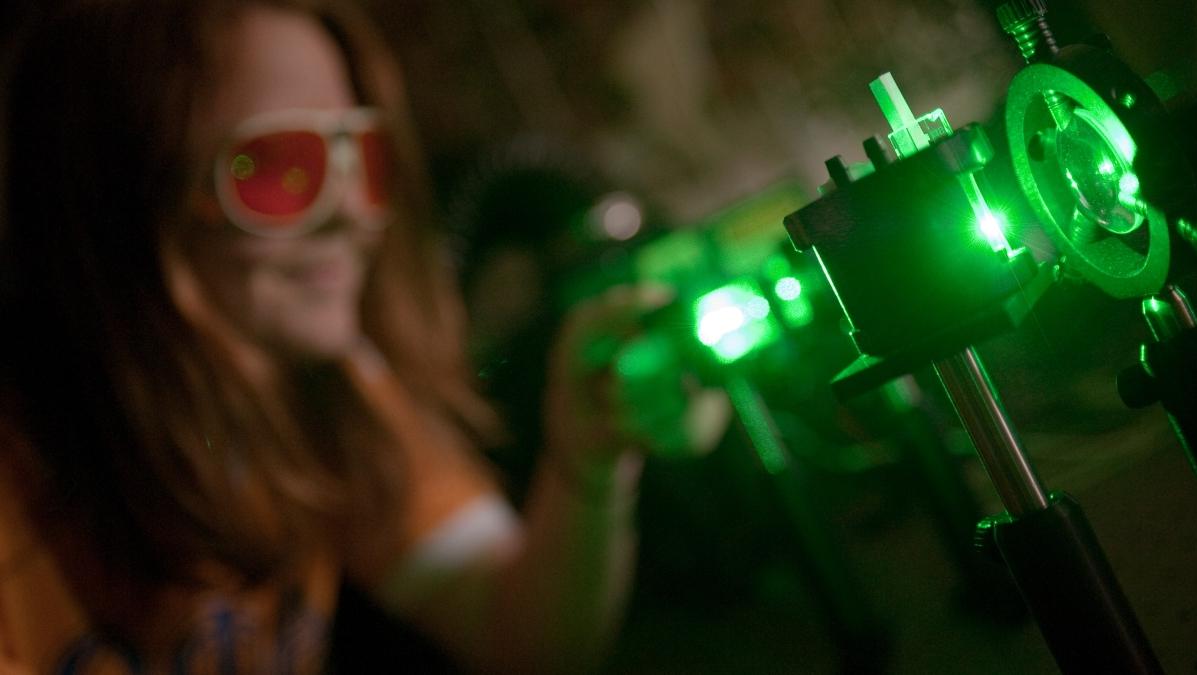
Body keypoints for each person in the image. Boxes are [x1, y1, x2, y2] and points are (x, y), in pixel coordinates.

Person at [0, 1, 684, 672]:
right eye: (277, 166)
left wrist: (588, 465)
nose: (356, 213)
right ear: (120, 198)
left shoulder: (322, 392)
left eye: (362, 155)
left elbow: (516, 633)